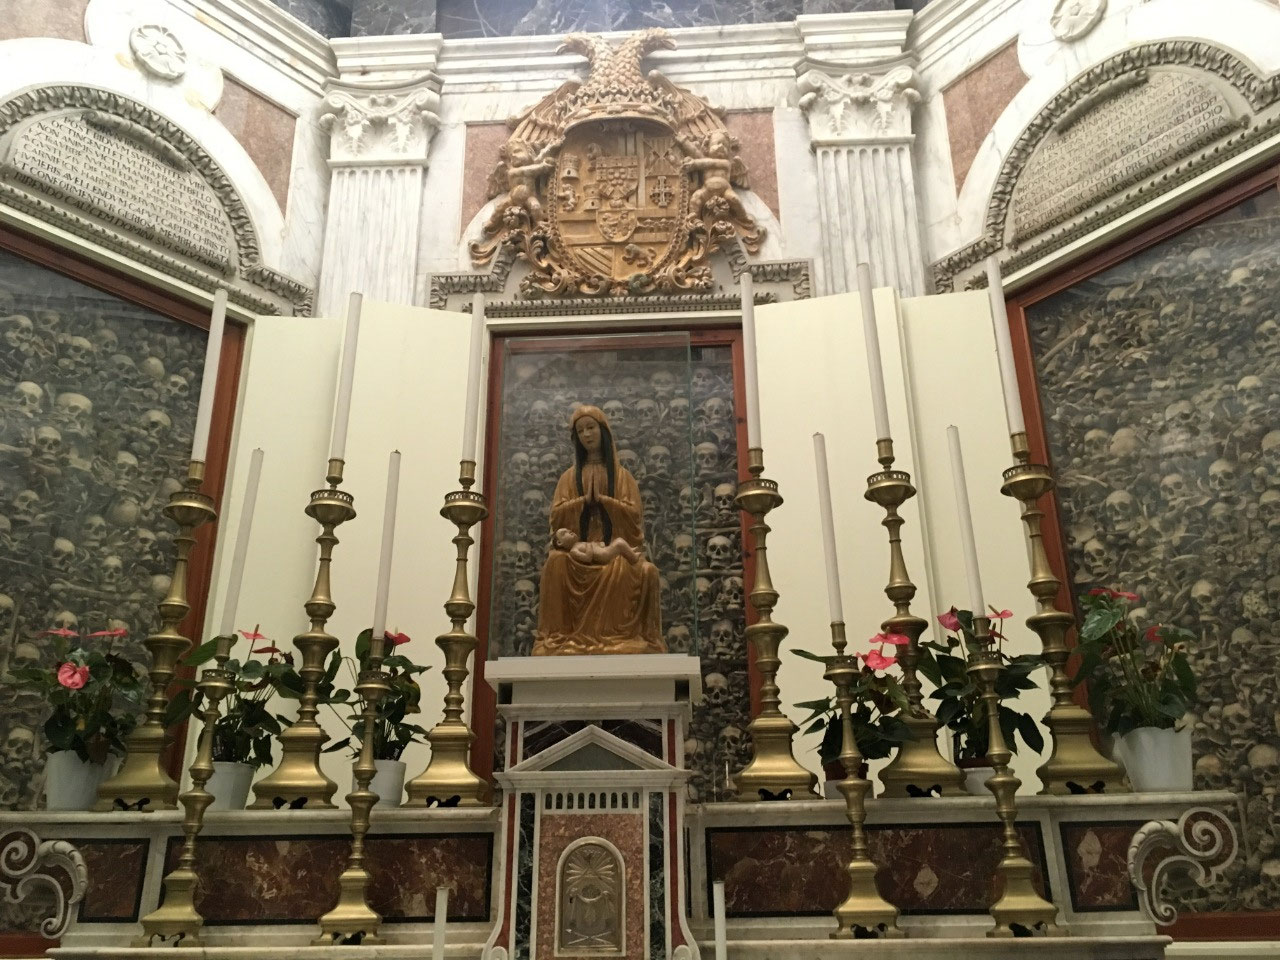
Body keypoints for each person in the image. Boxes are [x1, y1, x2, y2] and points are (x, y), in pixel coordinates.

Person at [532, 405, 664, 655]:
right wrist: (582, 502)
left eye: (591, 427)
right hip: (578, 548)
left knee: (637, 569)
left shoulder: (623, 477)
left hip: (612, 546)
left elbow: (634, 516)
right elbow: (557, 518)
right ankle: (559, 637)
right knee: (555, 563)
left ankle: (618, 637)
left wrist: (605, 501)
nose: (587, 435)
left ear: (603, 431)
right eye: (580, 430)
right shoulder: (568, 478)